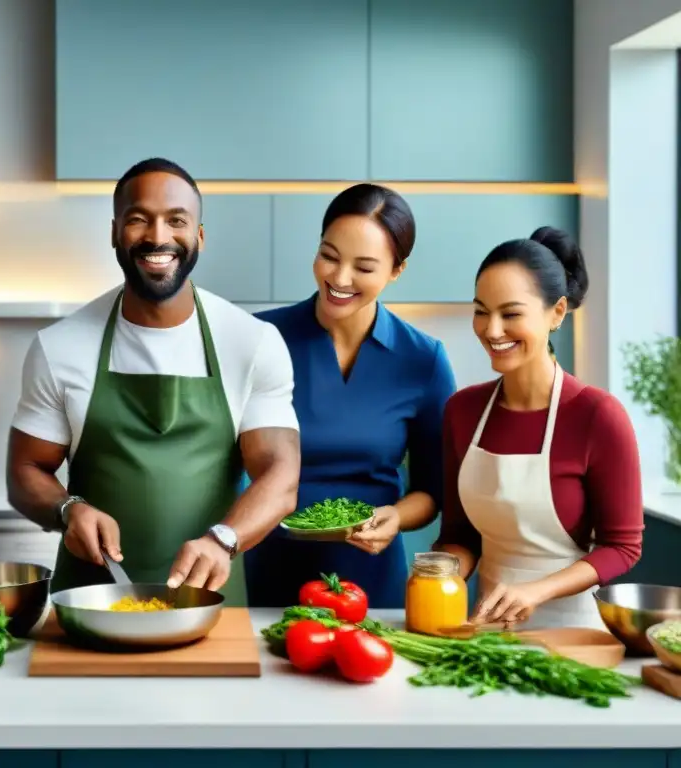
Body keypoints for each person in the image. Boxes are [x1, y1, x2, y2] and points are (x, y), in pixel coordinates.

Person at [6, 158, 301, 607]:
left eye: (176, 221)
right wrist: (69, 510)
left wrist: (224, 539)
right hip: (91, 607)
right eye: (138, 220)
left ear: (199, 235)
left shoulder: (252, 342)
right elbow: (25, 470)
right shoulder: (59, 347)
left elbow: (280, 476)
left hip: (210, 604)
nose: (158, 237)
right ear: (114, 232)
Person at [244, 183, 457, 609]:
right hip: (275, 563)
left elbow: (434, 490)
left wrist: (395, 517)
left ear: (396, 270)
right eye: (329, 255)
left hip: (371, 573)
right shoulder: (260, 338)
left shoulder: (423, 359)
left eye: (364, 267)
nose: (339, 279)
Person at [435, 227, 644, 629]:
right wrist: (439, 574)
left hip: (574, 634)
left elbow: (622, 547)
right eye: (481, 311)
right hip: (487, 634)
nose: (492, 330)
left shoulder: (598, 416)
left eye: (510, 314)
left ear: (557, 313)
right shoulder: (462, 411)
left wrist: (536, 590)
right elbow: (460, 534)